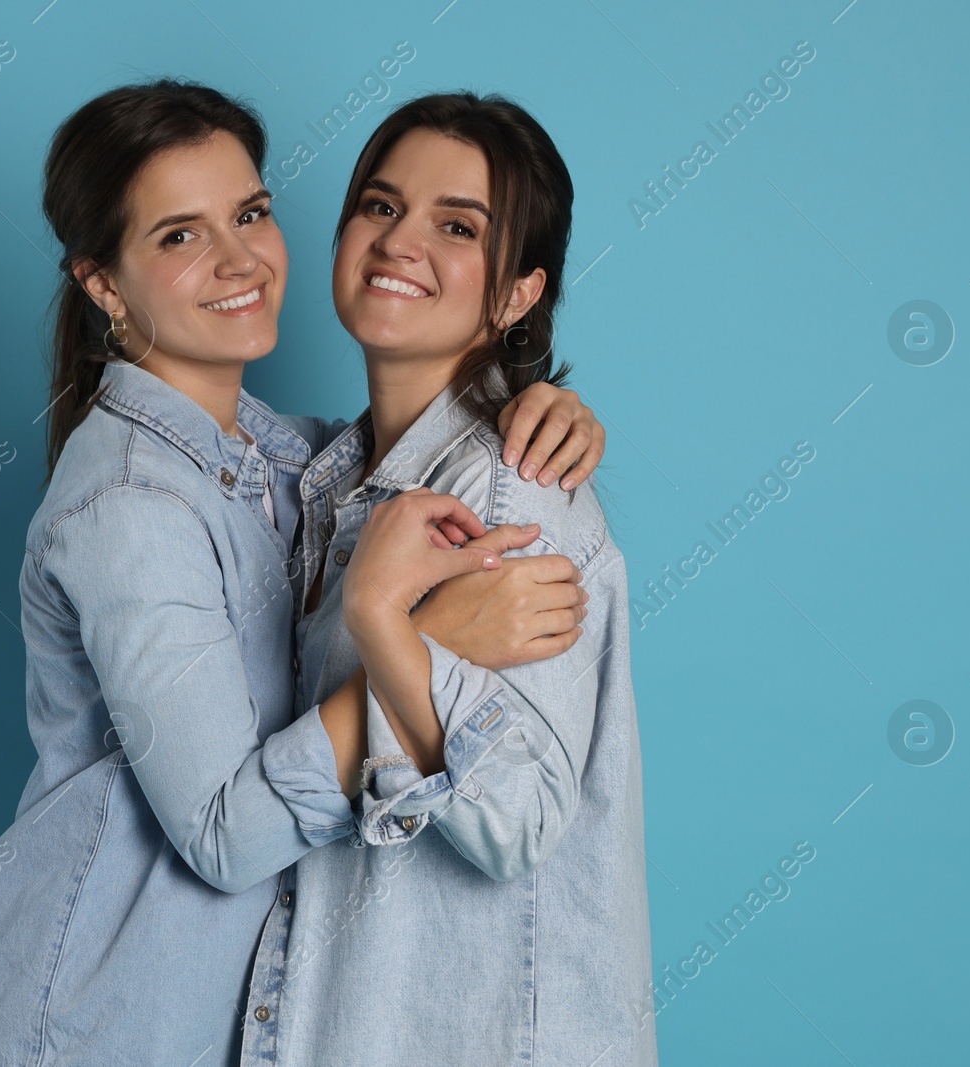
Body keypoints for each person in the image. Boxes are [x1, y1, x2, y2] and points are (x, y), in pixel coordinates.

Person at [0, 80, 606, 1067]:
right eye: (177, 236)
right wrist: (425, 636)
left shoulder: (285, 462)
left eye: (249, 213)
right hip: (90, 1026)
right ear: (104, 285)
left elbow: (389, 461)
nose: (239, 260)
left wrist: (542, 399)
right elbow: (223, 835)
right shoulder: (131, 508)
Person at [237, 92, 657, 1066]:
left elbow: (512, 820)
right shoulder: (326, 480)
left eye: (457, 225)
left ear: (516, 293)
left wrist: (391, 624)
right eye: (379, 206)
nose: (399, 240)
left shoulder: (515, 493)